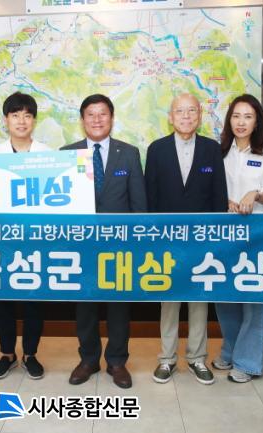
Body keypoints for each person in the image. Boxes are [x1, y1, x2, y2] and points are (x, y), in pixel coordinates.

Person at [62, 94, 147, 389]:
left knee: (118, 306)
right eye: (91, 114)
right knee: (85, 306)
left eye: (102, 114)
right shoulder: (67, 154)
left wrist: (137, 242)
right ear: (82, 120)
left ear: (111, 118)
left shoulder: (129, 153)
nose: (97, 120)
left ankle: (117, 361)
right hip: (82, 245)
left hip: (119, 245)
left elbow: (139, 204)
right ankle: (88, 360)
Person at [144, 93, 227, 385]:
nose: (186, 116)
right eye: (180, 111)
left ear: (200, 116)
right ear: (170, 117)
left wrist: (215, 237)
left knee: (198, 299)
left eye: (192, 111)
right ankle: (167, 359)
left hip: (202, 240)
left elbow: (219, 195)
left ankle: (197, 358)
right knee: (169, 299)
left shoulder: (211, 149)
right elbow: (150, 197)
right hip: (166, 239)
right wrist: (153, 237)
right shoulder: (157, 149)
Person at [0, 92, 49, 380]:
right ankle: (7, 353)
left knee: (35, 298)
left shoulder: (47, 154)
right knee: (3, 299)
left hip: (36, 238)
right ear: (6, 120)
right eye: (16, 115)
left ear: (34, 120)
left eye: (27, 115)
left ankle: (30, 354)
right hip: (4, 238)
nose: (22, 121)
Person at [213, 94, 263, 383]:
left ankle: (249, 362)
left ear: (257, 122)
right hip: (222, 233)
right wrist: (223, 201)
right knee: (225, 295)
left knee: (252, 297)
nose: (241, 122)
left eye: (248, 117)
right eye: (236, 116)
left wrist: (254, 195)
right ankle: (230, 351)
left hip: (256, 234)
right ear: (229, 120)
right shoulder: (219, 151)